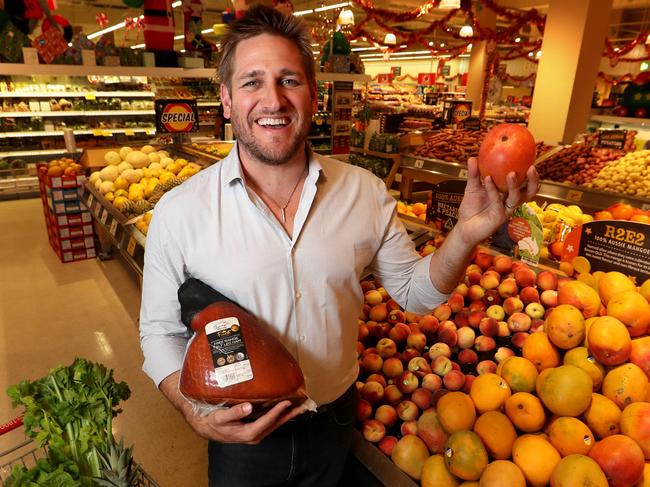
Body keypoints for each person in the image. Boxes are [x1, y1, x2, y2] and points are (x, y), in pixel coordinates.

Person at [139, 5, 539, 486]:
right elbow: (160, 333)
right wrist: (194, 413)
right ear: (225, 99)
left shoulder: (364, 192)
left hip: (335, 421)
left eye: (289, 80)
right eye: (251, 82)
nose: (273, 100)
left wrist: (467, 233)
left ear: (313, 94)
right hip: (240, 433)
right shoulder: (180, 211)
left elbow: (414, 293)